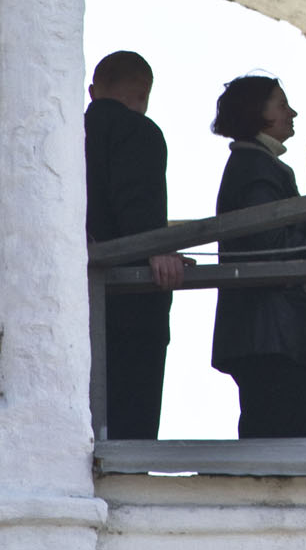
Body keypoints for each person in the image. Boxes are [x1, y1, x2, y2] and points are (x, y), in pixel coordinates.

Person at [209, 74, 306, 438]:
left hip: (270, 337)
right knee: (287, 445)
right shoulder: (257, 167)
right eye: (282, 105)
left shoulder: (255, 164)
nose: (291, 113)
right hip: (273, 337)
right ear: (257, 113)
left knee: (300, 444)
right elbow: (273, 243)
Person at [84, 49, 186, 439]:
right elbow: (137, 202)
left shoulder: (67, 131)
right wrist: (156, 248)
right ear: (144, 93)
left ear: (92, 91)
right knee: (130, 429)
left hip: (74, 306)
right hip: (130, 307)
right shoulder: (138, 131)